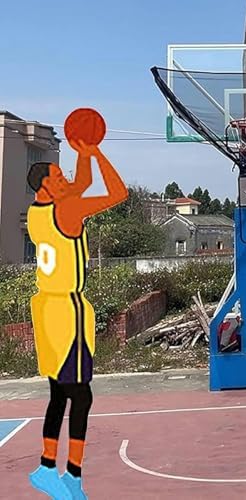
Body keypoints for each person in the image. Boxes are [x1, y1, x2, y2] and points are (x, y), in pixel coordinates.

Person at [27, 140, 128, 499]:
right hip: (67, 315)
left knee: (59, 393)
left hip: (47, 309)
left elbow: (81, 183)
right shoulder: (67, 210)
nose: (66, 180)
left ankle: (47, 467)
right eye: (58, 177)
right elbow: (118, 193)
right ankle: (70, 474)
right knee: (81, 397)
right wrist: (97, 153)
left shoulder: (37, 211)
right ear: (46, 187)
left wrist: (83, 150)